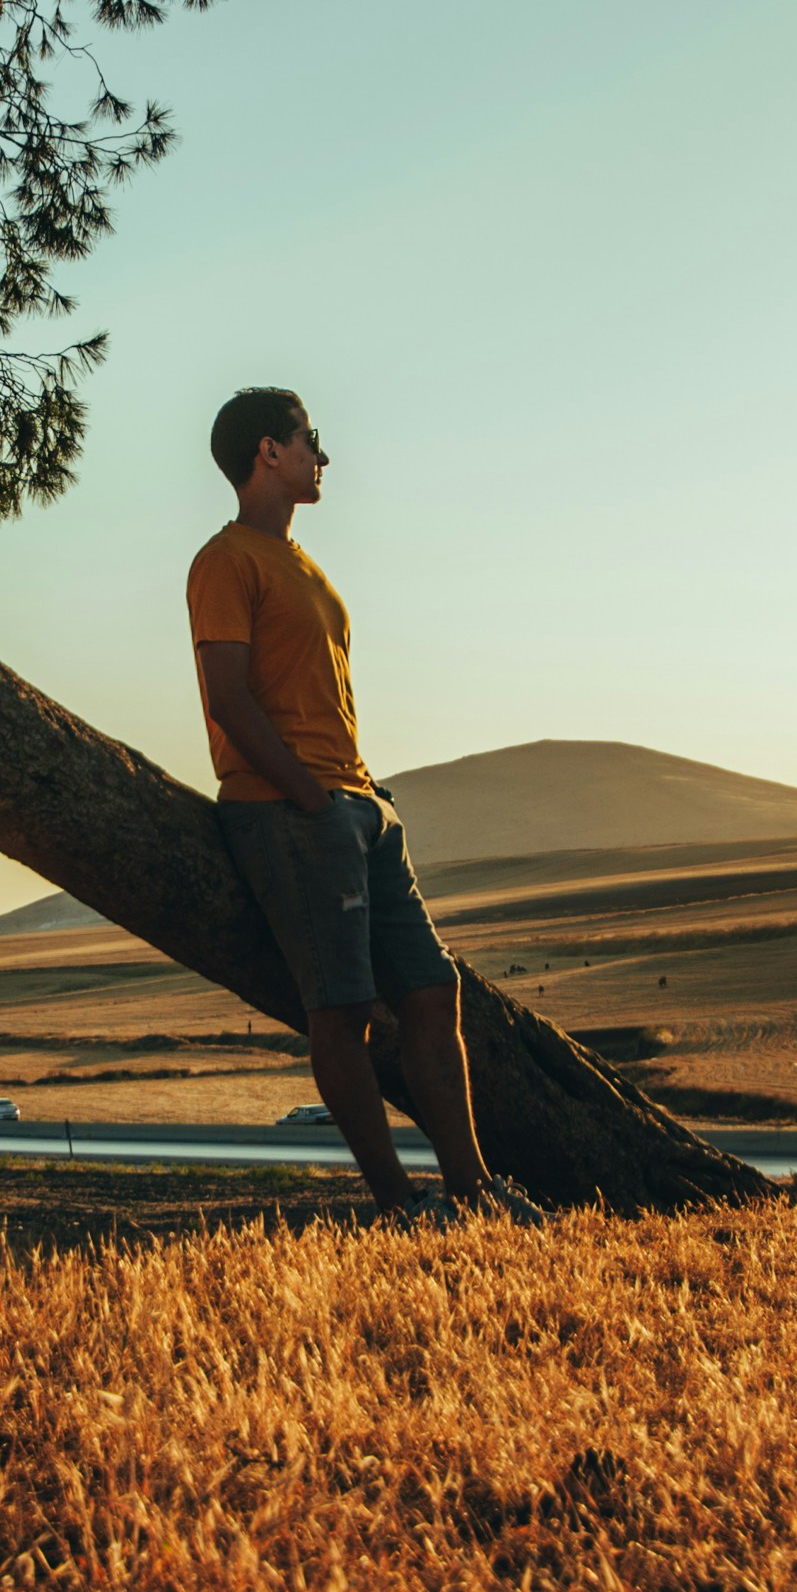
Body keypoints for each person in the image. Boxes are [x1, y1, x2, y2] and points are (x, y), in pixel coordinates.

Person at [188, 387, 534, 1224]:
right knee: (340, 1012)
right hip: (290, 813)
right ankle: (399, 1206)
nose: (323, 457)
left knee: (430, 990)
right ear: (269, 451)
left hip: (359, 807)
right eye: (311, 440)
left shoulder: (305, 567)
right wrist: (310, 797)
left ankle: (474, 1196)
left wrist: (360, 792)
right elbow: (229, 699)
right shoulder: (224, 561)